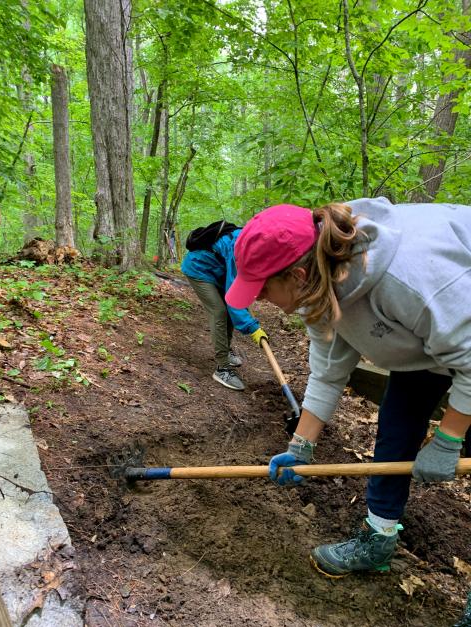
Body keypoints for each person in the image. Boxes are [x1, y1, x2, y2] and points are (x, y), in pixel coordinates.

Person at [225, 199, 471, 577]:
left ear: (298, 275)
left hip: (460, 326)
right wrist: (301, 446)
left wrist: (449, 439)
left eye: (262, 288)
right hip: (429, 341)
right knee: (396, 425)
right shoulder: (318, 289)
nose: (258, 299)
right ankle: (378, 539)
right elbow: (327, 370)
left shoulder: (408, 281)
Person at [181, 226, 267, 391]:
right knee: (219, 311)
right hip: (198, 269)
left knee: (227, 311)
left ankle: (225, 351)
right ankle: (222, 368)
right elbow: (234, 298)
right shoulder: (240, 248)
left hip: (216, 270)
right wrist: (253, 328)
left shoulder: (251, 243)